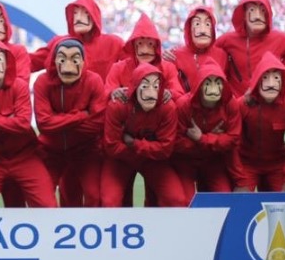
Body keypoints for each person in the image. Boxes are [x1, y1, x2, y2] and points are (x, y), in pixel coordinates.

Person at [0, 40, 57, 207]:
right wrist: (9, 120)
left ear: (7, 64)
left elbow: (22, 123)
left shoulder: (19, 86)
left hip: (25, 156)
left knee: (48, 206)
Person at [101, 63, 188, 207]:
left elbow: (166, 148)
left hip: (151, 161)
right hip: (120, 160)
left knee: (176, 199)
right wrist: (147, 148)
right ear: (135, 85)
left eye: (156, 86)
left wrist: (134, 144)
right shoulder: (118, 105)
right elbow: (111, 146)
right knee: (110, 201)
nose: (151, 93)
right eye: (145, 85)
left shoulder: (167, 107)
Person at [33, 38, 108, 206]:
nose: (68, 67)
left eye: (74, 60)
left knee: (94, 196)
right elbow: (44, 124)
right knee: (42, 200)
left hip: (86, 150)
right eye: (62, 59)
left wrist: (58, 121)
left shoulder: (93, 80)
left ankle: (91, 229)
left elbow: (97, 124)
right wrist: (80, 115)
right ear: (54, 60)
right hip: (51, 151)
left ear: (83, 61)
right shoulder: (43, 82)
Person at [231, 52, 285, 193]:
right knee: (242, 203)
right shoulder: (242, 105)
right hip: (247, 164)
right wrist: (239, 178)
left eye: (276, 78)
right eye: (265, 78)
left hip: (278, 165)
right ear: (257, 80)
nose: (271, 84)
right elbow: (233, 144)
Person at [173, 59, 241, 199]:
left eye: (218, 83)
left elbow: (233, 139)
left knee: (224, 197)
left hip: (213, 161)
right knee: (185, 200)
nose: (213, 88)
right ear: (199, 84)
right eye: (207, 83)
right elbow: (176, 142)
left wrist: (202, 138)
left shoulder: (230, 104)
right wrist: (212, 140)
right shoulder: (183, 105)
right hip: (185, 161)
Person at [214, 0, 285, 97]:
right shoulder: (227, 40)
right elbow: (210, 56)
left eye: (262, 10)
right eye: (252, 10)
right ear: (243, 14)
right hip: (238, 105)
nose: (257, 16)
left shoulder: (282, 39)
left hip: (269, 104)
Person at [29, 0, 124, 79]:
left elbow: (131, 69)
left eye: (85, 12)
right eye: (75, 13)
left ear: (94, 15)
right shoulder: (59, 43)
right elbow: (30, 62)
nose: (78, 18)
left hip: (102, 97)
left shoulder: (114, 43)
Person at [166, 5, 227, 95]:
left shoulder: (222, 55)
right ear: (189, 29)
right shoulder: (175, 55)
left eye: (207, 24)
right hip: (185, 106)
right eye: (197, 24)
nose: (202, 30)